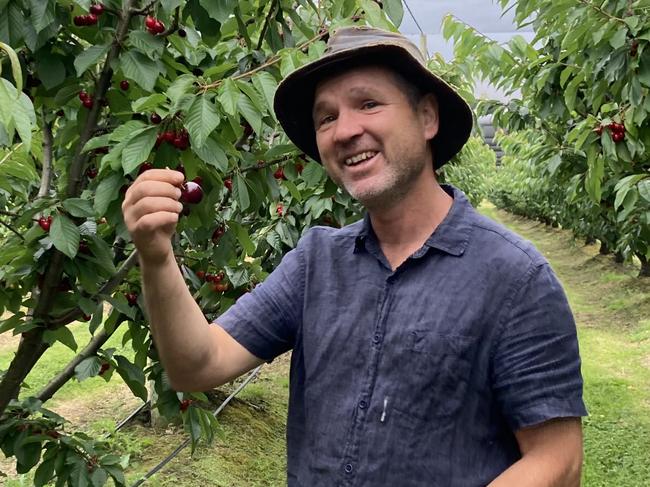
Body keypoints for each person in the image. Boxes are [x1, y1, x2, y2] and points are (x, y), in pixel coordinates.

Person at [122, 26, 587, 486]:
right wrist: (157, 256)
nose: (345, 130)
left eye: (368, 103)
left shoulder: (515, 278)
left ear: (427, 117)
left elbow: (558, 460)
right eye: (326, 118)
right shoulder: (315, 262)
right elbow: (196, 366)